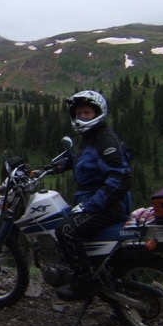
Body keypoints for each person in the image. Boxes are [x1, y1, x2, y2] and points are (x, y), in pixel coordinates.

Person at [54, 90, 133, 301]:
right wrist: (60, 165)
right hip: (98, 201)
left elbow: (120, 178)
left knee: (67, 230)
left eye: (86, 112)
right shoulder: (90, 138)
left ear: (97, 113)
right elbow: (87, 161)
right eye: (78, 113)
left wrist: (91, 206)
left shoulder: (105, 140)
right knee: (63, 217)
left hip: (110, 205)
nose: (81, 117)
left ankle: (84, 283)